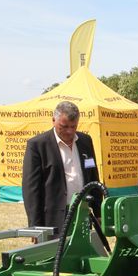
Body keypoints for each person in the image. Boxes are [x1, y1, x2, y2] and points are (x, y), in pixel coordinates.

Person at [22, 101, 98, 235]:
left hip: (82, 212)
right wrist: (35, 227)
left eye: (73, 126)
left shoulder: (85, 141)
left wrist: (98, 213)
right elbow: (31, 189)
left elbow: (93, 177)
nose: (69, 131)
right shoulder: (38, 145)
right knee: (56, 255)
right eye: (64, 126)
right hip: (53, 218)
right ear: (53, 120)